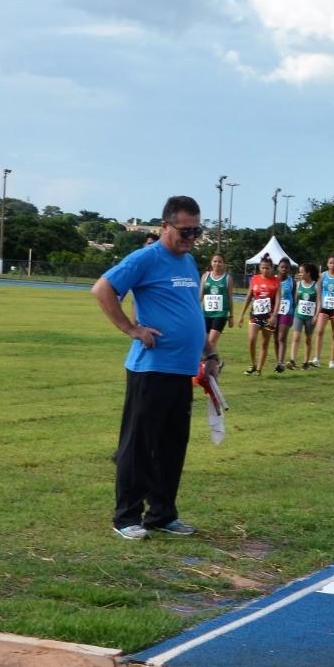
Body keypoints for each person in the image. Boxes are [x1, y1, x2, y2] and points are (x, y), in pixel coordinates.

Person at [92, 195, 218, 541]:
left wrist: (209, 354)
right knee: (138, 444)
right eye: (185, 230)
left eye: (196, 231)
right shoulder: (145, 258)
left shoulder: (188, 262)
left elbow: (192, 311)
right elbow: (102, 289)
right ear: (165, 226)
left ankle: (162, 514)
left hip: (182, 369)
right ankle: (126, 517)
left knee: (171, 445)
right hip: (151, 368)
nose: (191, 237)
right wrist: (131, 329)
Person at [237, 255, 280, 374]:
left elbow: (278, 300)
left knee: (264, 343)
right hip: (255, 314)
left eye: (267, 268)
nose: (265, 270)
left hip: (269, 316)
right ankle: (253, 364)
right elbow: (248, 297)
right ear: (259, 268)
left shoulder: (276, 281)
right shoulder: (255, 279)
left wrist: (274, 315)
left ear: (272, 268)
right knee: (252, 339)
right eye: (262, 268)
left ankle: (259, 369)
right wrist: (241, 314)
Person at [313, 255, 334, 367]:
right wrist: (318, 308)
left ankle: (332, 360)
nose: (332, 265)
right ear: (327, 264)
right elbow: (318, 293)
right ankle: (316, 358)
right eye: (330, 263)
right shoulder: (322, 276)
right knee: (319, 331)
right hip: (324, 307)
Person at [200, 253, 233, 354]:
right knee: (205, 344)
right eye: (215, 261)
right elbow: (201, 295)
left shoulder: (227, 278)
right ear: (211, 263)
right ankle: (217, 361)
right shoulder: (205, 277)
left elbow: (230, 297)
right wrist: (194, 309)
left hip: (220, 315)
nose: (217, 264)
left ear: (224, 264)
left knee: (211, 342)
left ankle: (208, 362)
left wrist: (231, 316)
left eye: (220, 262)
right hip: (206, 314)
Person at [291, 262, 320, 369]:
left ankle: (305, 362)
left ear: (308, 273)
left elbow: (319, 302)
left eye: (301, 272)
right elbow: (295, 300)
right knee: (296, 337)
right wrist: (292, 312)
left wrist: (316, 315)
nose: (299, 274)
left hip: (310, 316)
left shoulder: (316, 286)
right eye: (299, 272)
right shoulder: (298, 284)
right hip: (298, 314)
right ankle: (292, 361)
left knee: (308, 339)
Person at [273, 257, 295, 372]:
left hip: (287, 312)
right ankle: (278, 362)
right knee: (275, 338)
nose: (284, 269)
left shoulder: (292, 281)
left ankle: (280, 363)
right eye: (282, 267)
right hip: (274, 312)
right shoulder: (273, 280)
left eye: (286, 267)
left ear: (289, 269)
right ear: (278, 268)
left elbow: (295, 298)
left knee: (282, 337)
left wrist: (294, 314)